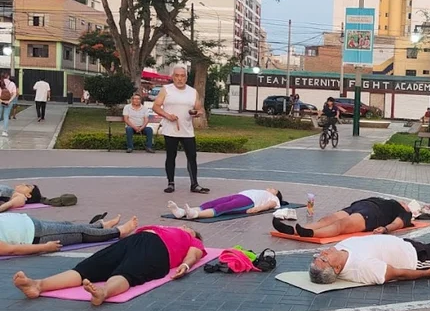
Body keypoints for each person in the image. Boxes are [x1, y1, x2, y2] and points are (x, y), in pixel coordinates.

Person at [13, 225, 205, 306]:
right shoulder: (165, 228)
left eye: (190, 229)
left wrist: (186, 266)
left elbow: (194, 254)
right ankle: (38, 285)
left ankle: (103, 292)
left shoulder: (191, 240)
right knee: (88, 267)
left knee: (128, 272)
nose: (185, 227)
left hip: (159, 250)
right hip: (135, 240)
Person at [308, 233, 430, 285]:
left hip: (407, 245)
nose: (323, 253)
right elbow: (397, 274)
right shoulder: (362, 269)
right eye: (324, 259)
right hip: (415, 260)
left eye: (320, 256)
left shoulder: (339, 250)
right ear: (335, 268)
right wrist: (426, 273)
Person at [152, 66, 209, 194]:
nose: (180, 78)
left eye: (183, 76)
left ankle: (194, 184)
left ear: (186, 77)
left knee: (192, 156)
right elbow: (156, 106)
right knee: (171, 156)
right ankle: (170, 183)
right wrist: (167, 115)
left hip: (187, 130)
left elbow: (200, 109)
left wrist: (197, 113)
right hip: (170, 130)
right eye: (177, 75)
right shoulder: (166, 90)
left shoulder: (192, 92)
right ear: (173, 77)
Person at [0, 213, 138, 256]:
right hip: (35, 235)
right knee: (80, 233)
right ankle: (118, 232)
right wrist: (44, 247)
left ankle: (100, 226)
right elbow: (10, 249)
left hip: (31, 223)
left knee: (69, 225)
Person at [273, 196, 413, 238]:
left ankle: (312, 233)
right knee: (327, 219)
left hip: (373, 214)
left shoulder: (405, 213)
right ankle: (295, 230)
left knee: (342, 225)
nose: (405, 203)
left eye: (408, 204)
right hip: (358, 206)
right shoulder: (388, 200)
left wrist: (385, 229)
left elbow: (398, 223)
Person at [168, 187, 283, 220]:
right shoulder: (262, 191)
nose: (271, 188)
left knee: (223, 207)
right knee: (212, 202)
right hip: (240, 195)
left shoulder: (275, 199)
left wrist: (256, 209)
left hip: (248, 202)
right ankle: (182, 212)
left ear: (277, 194)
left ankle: (195, 214)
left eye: (274, 189)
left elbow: (269, 205)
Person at [0, 69, 18, 137]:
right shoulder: (12, 84)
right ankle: (5, 131)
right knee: (6, 116)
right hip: (8, 102)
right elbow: (14, 93)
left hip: (0, 101)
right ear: (8, 76)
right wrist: (9, 101)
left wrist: (1, 101)